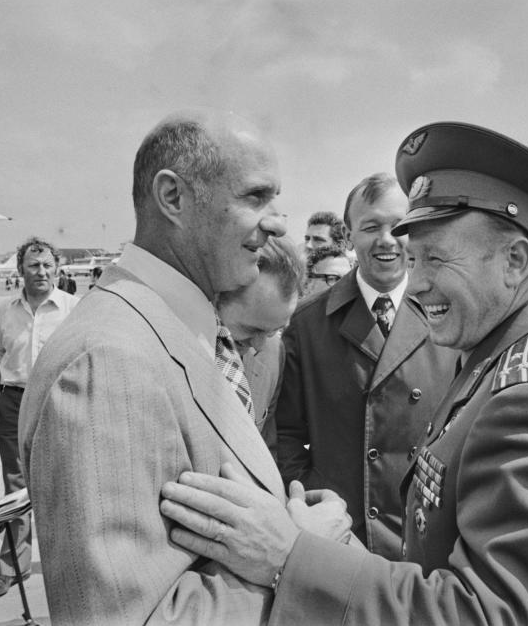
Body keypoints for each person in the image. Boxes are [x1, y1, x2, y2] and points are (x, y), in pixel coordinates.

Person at [161, 121, 528, 624]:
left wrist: (289, 556)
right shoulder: (512, 356)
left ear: (514, 261)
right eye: (415, 258)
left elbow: (483, 615)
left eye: (434, 259)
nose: (419, 283)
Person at [19, 108, 350, 624]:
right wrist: (302, 559)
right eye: (255, 197)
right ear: (172, 197)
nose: (280, 222)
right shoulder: (107, 361)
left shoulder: (168, 327)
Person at [274, 172, 458, 559]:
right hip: (343, 535)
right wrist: (313, 499)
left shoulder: (452, 315)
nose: (387, 240)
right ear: (350, 237)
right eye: (371, 226)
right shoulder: (307, 324)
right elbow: (285, 434)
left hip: (430, 532)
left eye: (398, 226)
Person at [0, 236, 80, 600]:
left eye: (47, 265)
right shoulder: (6, 311)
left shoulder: (73, 307)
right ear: (20, 270)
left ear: (57, 269)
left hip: (59, 402)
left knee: (64, 486)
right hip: (14, 401)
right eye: (33, 266)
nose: (41, 272)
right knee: (15, 489)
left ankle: (71, 567)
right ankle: (12, 569)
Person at [215, 235, 304, 447]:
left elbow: (266, 449)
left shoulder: (274, 354)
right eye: (250, 330)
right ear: (215, 299)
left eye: (275, 331)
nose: (259, 346)